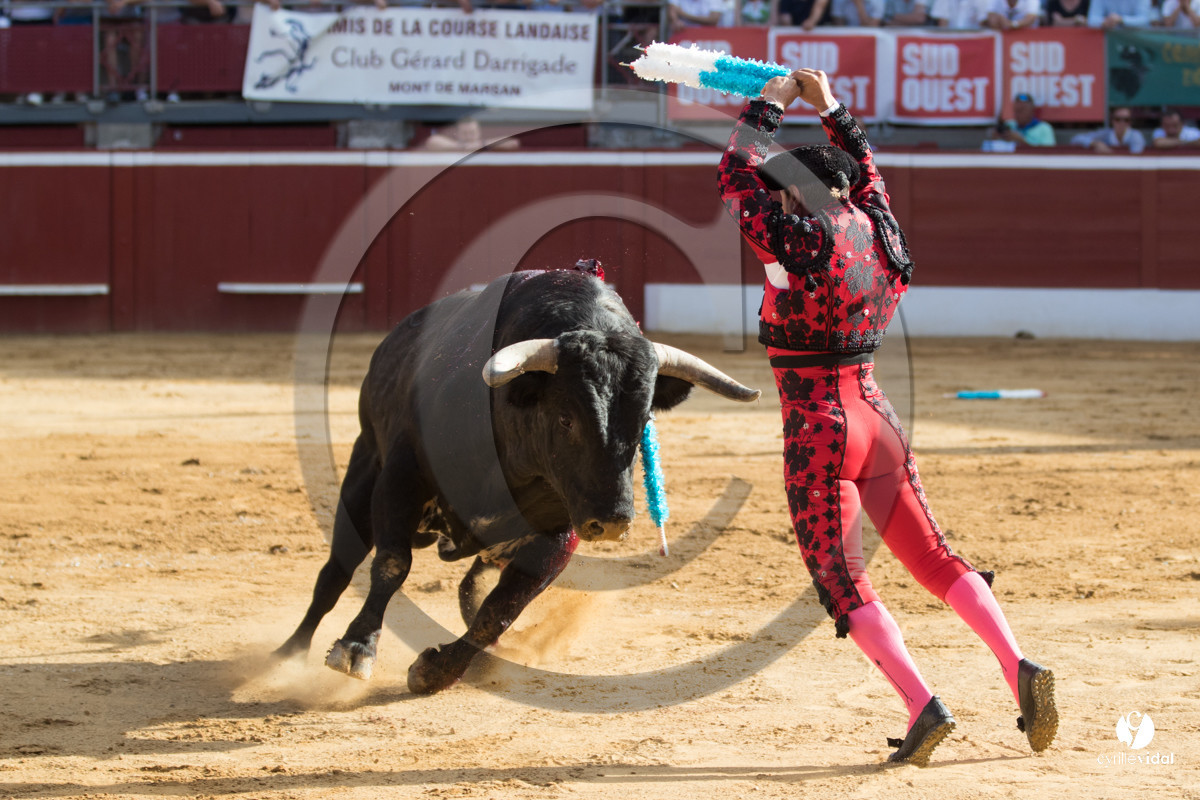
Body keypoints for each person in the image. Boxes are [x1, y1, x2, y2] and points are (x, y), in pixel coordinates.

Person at [716, 67, 1058, 767]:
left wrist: (769, 105)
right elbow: (869, 178)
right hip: (878, 417)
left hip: (818, 431)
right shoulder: (883, 236)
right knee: (934, 555)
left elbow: (733, 173)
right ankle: (1016, 662)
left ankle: (920, 703)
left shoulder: (791, 244)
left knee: (844, 581)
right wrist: (833, 107)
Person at [988, 92, 1056, 146]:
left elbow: (1049, 153)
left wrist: (1022, 142)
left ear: (1032, 110)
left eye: (1022, 110)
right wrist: (995, 138)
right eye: (1016, 110)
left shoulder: (1044, 128)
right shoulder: (1009, 125)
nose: (1019, 114)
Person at [1070, 106, 1146, 153]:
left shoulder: (1136, 136)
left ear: (1130, 122)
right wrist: (1095, 143)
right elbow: (1076, 139)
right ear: (1112, 121)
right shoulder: (1105, 134)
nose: (1121, 123)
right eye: (1118, 119)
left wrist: (1110, 153)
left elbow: (1135, 157)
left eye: (1126, 120)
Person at [1087, 0, 1151, 27]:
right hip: (1107, 42)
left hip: (1138, 40)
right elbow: (1092, 19)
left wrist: (1121, 19)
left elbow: (1145, 20)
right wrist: (1104, 22)